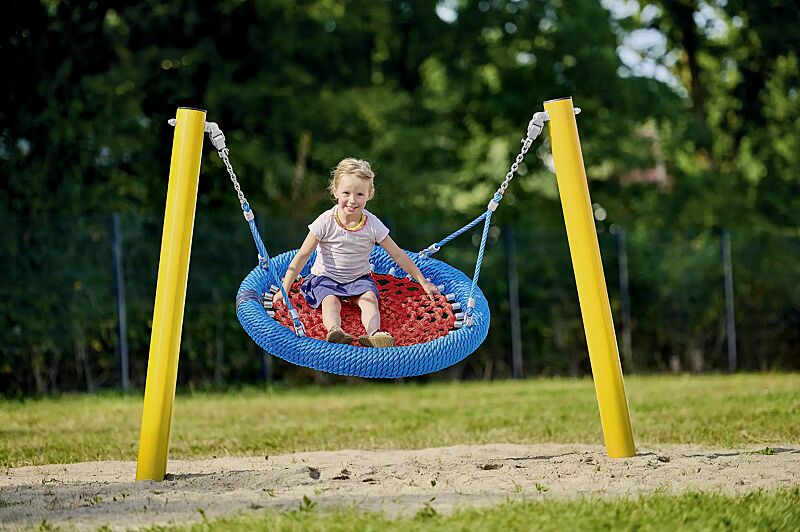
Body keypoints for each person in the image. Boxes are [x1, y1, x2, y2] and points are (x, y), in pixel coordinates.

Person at [272, 158, 439, 347]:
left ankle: (374, 334)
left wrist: (423, 282)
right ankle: (335, 330)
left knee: (369, 300)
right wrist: (284, 288)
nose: (352, 200)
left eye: (360, 194)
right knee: (330, 301)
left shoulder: (372, 224)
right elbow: (303, 255)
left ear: (369, 194)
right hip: (325, 277)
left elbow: (398, 254)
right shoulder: (326, 221)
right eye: (346, 193)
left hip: (358, 278)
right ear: (335, 192)